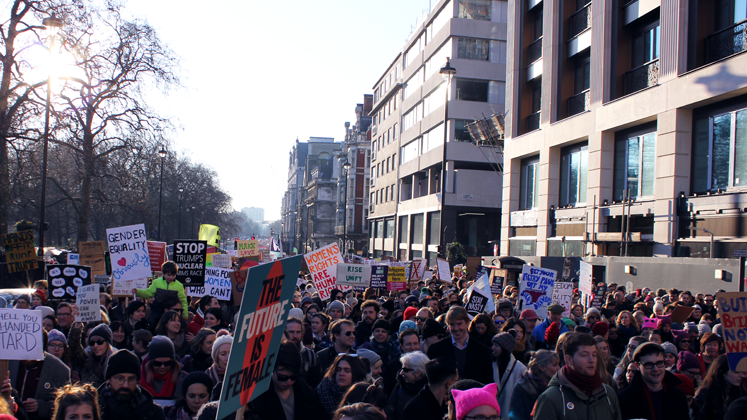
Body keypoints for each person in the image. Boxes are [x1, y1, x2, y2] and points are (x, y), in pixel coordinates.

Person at [533, 332, 622, 420]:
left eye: (594, 355)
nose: (592, 360)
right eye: (584, 355)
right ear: (569, 360)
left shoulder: (608, 393)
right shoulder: (551, 398)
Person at [246, 341, 325, 420]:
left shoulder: (307, 393)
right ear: (271, 370)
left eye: (294, 377)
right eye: (282, 377)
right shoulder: (258, 398)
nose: (289, 382)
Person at [617, 342, 689, 420]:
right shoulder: (625, 399)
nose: (656, 369)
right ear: (637, 366)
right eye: (648, 364)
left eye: (660, 363)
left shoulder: (678, 396)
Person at [427, 306, 493, 384]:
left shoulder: (482, 351)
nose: (456, 328)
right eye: (452, 324)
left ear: (467, 322)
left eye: (459, 323)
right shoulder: (435, 349)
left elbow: (488, 382)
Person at [9, 339, 71, 420]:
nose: (29, 360)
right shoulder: (7, 362)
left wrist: (41, 406)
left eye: (34, 354)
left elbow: (66, 404)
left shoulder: (60, 370)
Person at [98, 349, 165, 420]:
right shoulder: (92, 408)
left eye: (131, 379)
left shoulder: (153, 412)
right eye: (120, 378)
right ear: (109, 379)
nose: (125, 385)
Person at [692, 354, 747, 420]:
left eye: (742, 372)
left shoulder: (741, 391)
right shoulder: (706, 394)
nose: (742, 375)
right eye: (736, 372)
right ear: (722, 372)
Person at [510, 350, 560, 420]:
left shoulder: (556, 387)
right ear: (542, 367)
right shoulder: (521, 388)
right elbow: (515, 416)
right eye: (555, 365)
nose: (559, 368)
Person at [315, 354, 366, 419]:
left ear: (355, 373)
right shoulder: (322, 391)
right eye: (338, 370)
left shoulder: (364, 395)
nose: (341, 373)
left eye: (347, 371)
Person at [385, 351, 430, 420]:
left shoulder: (430, 391)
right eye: (401, 369)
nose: (401, 373)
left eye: (405, 370)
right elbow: (390, 410)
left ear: (418, 373)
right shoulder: (400, 387)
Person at [139, 336, 187, 400]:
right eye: (157, 363)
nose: (163, 367)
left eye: (167, 363)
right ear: (150, 363)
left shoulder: (182, 378)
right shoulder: (138, 377)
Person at [491, 330, 526, 417]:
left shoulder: (520, 369)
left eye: (497, 345)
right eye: (493, 345)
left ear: (505, 349)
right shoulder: (490, 364)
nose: (493, 348)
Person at [70, 322, 114, 387]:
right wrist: (77, 325)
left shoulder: (117, 360)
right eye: (92, 342)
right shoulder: (86, 360)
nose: (95, 345)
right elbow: (74, 347)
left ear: (108, 343)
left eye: (100, 342)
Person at [284, 318, 323, 387]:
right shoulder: (276, 355)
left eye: (298, 332)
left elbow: (315, 384)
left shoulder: (311, 356)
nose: (295, 336)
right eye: (291, 332)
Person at [382, 328, 420, 396]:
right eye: (408, 344)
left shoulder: (425, 364)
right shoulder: (391, 367)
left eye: (415, 343)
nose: (413, 347)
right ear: (401, 346)